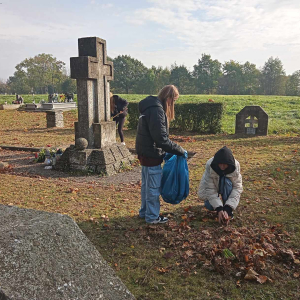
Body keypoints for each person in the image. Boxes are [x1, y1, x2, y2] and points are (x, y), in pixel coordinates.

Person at [136, 85, 187, 224]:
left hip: (144, 152)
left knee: (146, 186)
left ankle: (144, 212)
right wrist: (179, 150)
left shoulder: (149, 107)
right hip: (151, 154)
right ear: (169, 98)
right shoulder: (157, 111)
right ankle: (152, 217)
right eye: (174, 100)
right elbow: (161, 139)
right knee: (153, 187)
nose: (173, 104)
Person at [198, 146, 243, 225]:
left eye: (225, 165)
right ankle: (220, 208)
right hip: (214, 188)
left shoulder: (235, 167)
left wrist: (228, 209)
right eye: (220, 164)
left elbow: (237, 188)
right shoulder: (210, 166)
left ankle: (227, 208)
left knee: (228, 182)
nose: (222, 167)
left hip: (226, 186)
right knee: (210, 207)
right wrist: (219, 209)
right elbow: (210, 189)